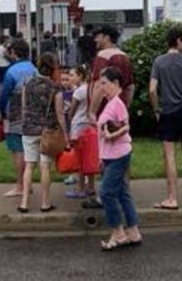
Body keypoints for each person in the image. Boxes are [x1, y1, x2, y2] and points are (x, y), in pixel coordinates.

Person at [149, 27, 182, 209]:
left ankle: (172, 198)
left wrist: (157, 109)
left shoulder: (159, 62)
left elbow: (152, 89)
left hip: (168, 112)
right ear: (178, 40)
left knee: (170, 156)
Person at [97, 67, 141, 251]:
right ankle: (133, 231)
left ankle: (118, 232)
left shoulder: (117, 103)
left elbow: (126, 127)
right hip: (111, 155)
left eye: (104, 84)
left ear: (115, 83)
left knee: (106, 192)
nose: (101, 88)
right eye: (100, 84)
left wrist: (110, 136)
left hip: (118, 154)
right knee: (122, 192)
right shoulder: (113, 102)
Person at [16, 53, 61, 214]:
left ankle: (24, 203)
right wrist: (65, 133)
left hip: (28, 129)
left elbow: (23, 107)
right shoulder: (55, 87)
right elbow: (59, 112)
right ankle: (45, 202)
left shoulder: (27, 83)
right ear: (52, 68)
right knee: (45, 167)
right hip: (46, 131)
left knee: (29, 165)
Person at [0, 39, 36, 200]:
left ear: (14, 53)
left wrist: (2, 112)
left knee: (18, 151)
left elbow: (4, 95)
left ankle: (20, 185)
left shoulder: (12, 71)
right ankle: (28, 183)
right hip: (32, 113)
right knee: (29, 150)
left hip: (14, 114)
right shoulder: (34, 69)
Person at [63, 65, 95, 200]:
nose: (70, 78)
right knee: (89, 156)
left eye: (72, 75)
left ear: (80, 76)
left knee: (79, 158)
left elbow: (72, 110)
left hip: (78, 125)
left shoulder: (78, 91)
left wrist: (69, 120)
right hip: (89, 125)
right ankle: (91, 186)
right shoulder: (91, 89)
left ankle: (80, 188)